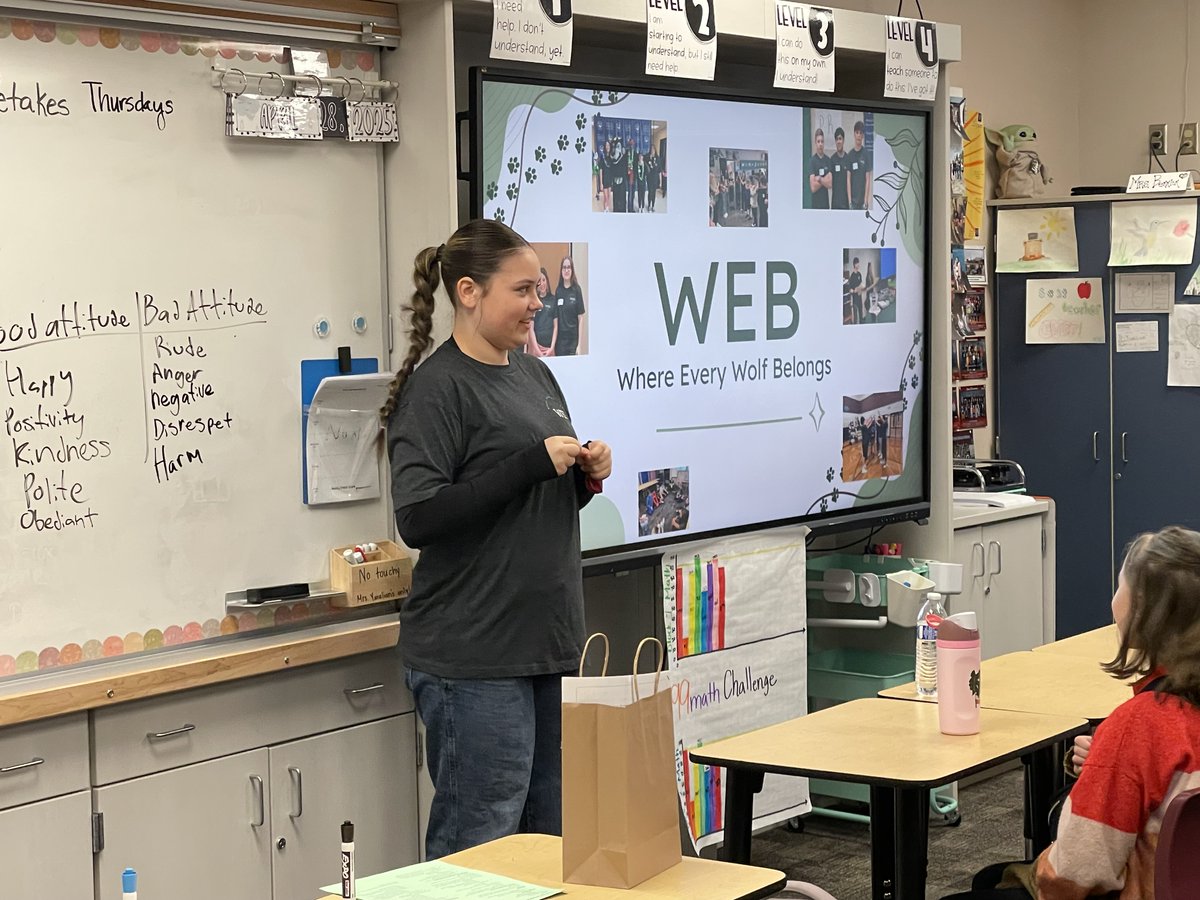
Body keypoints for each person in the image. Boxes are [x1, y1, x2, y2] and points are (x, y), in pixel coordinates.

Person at [382, 219, 613, 860]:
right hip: (475, 657)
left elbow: (527, 505)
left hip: (547, 644)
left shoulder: (534, 376)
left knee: (551, 843)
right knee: (479, 848)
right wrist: (530, 465)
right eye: (524, 291)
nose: (538, 303)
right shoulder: (437, 390)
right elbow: (421, 518)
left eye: (541, 290)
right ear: (468, 292)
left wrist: (583, 476)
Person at [943, 526, 1200, 900]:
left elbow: (1076, 873)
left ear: (1142, 609)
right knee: (991, 878)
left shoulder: (1140, 724)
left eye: (1119, 586)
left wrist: (1111, 764)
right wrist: (1107, 763)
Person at [553, 254, 586, 356]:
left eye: (568, 267)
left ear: (572, 270)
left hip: (573, 341)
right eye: (564, 267)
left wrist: (579, 345)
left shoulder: (577, 290)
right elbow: (556, 319)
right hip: (560, 342)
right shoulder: (558, 291)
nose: (566, 270)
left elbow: (581, 318)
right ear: (561, 270)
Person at [526, 266, 556, 357]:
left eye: (544, 280)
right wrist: (537, 350)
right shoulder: (534, 301)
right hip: (536, 349)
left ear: (547, 281)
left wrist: (551, 348)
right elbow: (531, 328)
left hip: (550, 349)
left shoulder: (553, 299)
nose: (542, 283)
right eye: (539, 281)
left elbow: (556, 327)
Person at [848, 120, 873, 211]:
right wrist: (850, 201)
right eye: (857, 132)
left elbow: (868, 179)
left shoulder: (866, 154)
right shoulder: (850, 155)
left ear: (863, 136)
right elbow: (848, 179)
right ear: (854, 134)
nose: (858, 135)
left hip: (862, 202)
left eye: (861, 133)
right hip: (853, 203)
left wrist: (866, 200)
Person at [808, 128, 832, 209]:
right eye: (818, 141)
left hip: (826, 205)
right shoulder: (812, 161)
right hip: (815, 205)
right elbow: (813, 187)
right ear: (815, 143)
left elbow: (830, 184)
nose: (820, 144)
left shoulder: (828, 160)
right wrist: (825, 179)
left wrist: (819, 179)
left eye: (822, 141)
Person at [830, 126, 850, 210]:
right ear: (835, 141)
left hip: (846, 204)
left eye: (840, 139)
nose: (838, 141)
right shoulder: (832, 159)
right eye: (837, 139)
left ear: (843, 140)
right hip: (835, 203)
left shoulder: (848, 159)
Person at [846, 256, 863, 325]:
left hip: (860, 297)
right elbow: (850, 289)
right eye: (857, 263)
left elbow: (861, 284)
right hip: (855, 299)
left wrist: (861, 288)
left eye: (858, 263)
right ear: (854, 265)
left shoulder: (859, 274)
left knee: (861, 313)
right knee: (856, 316)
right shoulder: (852, 276)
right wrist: (853, 290)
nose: (858, 265)